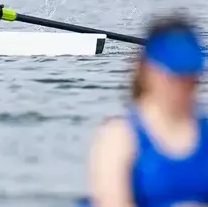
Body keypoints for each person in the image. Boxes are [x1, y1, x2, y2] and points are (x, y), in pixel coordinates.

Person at [79, 14, 208, 207]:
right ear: (148, 71)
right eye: (173, 74)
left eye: (190, 74)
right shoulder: (119, 137)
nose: (182, 84)